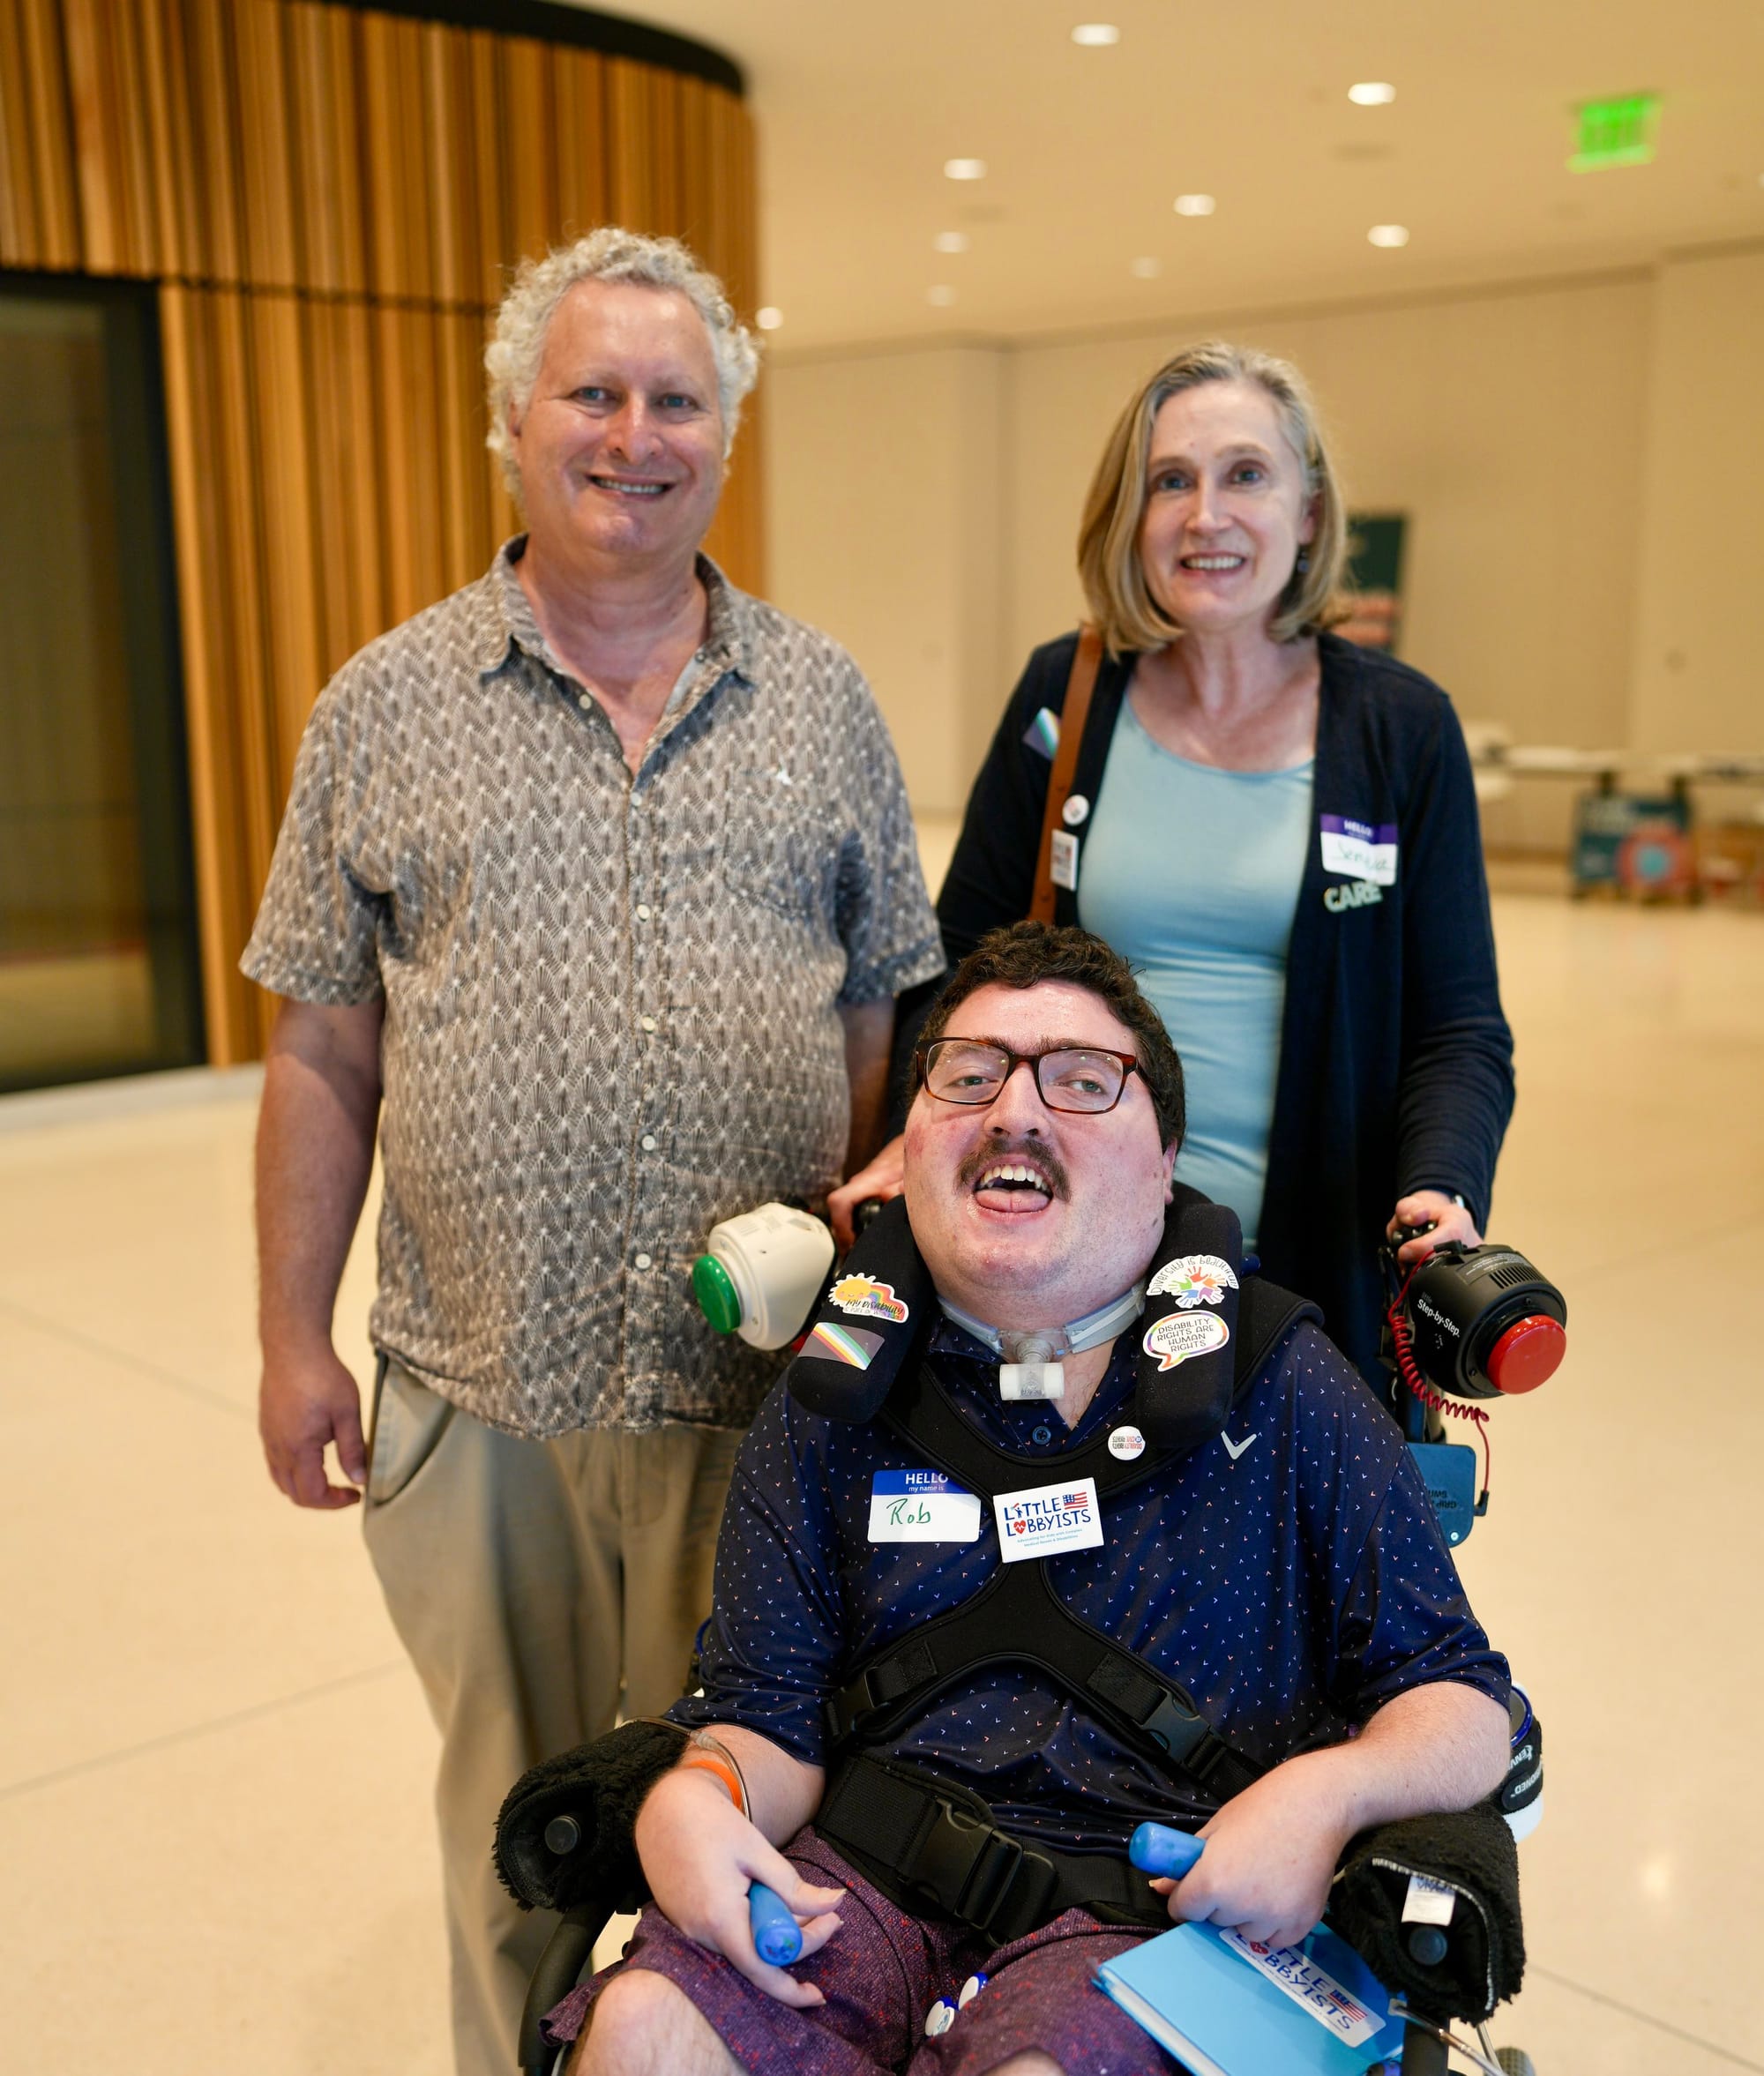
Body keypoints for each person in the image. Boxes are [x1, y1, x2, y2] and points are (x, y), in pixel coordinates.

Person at [242, 227, 943, 2076]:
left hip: (765, 1394)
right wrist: (293, 1338)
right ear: (513, 423)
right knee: (525, 1829)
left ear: (724, 432)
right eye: (593, 392)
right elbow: (321, 1041)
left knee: (747, 1830)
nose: (635, 433)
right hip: (484, 1396)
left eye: (676, 399)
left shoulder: (825, 702)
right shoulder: (381, 707)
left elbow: (886, 1015)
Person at [557, 922, 1511, 2076]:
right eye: (969, 1073)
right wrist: (696, 1798)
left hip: (1153, 1908)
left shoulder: (1283, 1380)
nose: (1016, 1108)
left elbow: (1460, 1701)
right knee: (642, 2031)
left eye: (1082, 1078)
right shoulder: (835, 1396)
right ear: (909, 1146)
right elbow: (768, 1711)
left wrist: (1325, 1794)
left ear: (1164, 1159)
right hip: (855, 1882)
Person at [833, 343, 1514, 1385]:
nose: (1205, 515)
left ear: (1309, 513)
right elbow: (962, 959)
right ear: (1130, 516)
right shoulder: (1068, 695)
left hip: (1301, 1273)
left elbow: (1457, 1024)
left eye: (1246, 474)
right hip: (1065, 1264)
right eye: (1169, 481)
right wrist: (904, 1140)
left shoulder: (1399, 726)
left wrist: (1439, 1184)